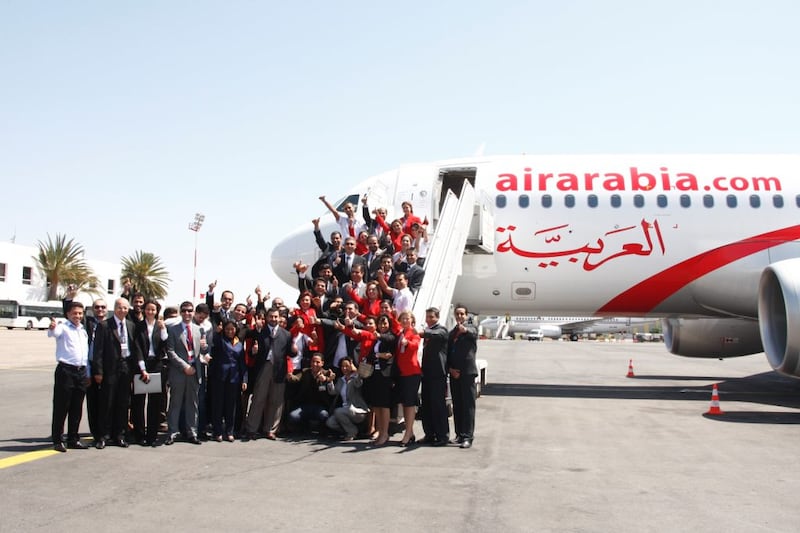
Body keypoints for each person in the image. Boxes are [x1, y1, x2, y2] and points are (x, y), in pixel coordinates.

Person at [93, 297, 145, 449]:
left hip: (126, 367)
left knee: (123, 403)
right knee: (107, 403)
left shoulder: (130, 325)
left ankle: (120, 435)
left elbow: (135, 348)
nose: (123, 310)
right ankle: (103, 436)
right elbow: (98, 350)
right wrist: (98, 371)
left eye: (125, 308)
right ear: (115, 309)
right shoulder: (104, 325)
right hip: (110, 369)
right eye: (120, 308)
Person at [244, 307, 294, 440]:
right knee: (258, 398)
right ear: (266, 318)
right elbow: (250, 352)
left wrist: (294, 350)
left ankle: (271, 429)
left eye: (276, 317)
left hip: (279, 369)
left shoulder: (286, 334)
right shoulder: (260, 332)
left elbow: (291, 353)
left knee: (276, 400)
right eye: (271, 316)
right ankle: (252, 428)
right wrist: (253, 351)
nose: (273, 319)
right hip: (263, 367)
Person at [48, 301, 89, 452]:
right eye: (74, 313)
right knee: (61, 407)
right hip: (66, 371)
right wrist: (52, 327)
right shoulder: (63, 328)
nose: (77, 316)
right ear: (68, 314)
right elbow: (54, 332)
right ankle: (57, 440)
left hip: (81, 372)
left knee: (76, 407)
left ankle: (73, 438)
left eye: (80, 313)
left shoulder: (83, 330)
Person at [164, 302, 207, 445]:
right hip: (179, 372)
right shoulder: (173, 329)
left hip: (195, 371)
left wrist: (204, 348)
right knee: (175, 403)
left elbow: (203, 351)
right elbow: (170, 352)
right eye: (184, 311)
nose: (187, 313)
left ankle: (192, 432)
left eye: (190, 311)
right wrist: (184, 366)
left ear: (193, 312)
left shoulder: (199, 330)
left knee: (192, 403)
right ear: (181, 312)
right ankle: (173, 432)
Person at [131, 300, 168, 446]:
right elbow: (137, 348)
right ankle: (140, 435)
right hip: (142, 366)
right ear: (144, 310)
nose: (150, 312)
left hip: (157, 365)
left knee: (154, 403)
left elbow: (166, 344)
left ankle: (152, 435)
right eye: (148, 309)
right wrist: (142, 369)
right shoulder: (138, 327)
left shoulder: (160, 327)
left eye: (153, 310)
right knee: (139, 403)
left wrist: (163, 329)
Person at [209, 320, 247, 442]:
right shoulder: (220, 340)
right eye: (227, 329)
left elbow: (242, 363)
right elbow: (214, 342)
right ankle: (218, 431)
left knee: (231, 406)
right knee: (218, 405)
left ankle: (229, 431)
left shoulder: (239, 344)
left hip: (234, 378)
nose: (230, 331)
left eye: (232, 329)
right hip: (219, 377)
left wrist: (244, 379)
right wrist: (217, 332)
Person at [448, 305, 479, 449]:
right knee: (458, 405)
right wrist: (450, 369)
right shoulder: (452, 332)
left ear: (466, 316)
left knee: (468, 406)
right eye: (457, 314)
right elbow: (448, 352)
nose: (459, 316)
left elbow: (472, 333)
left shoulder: (470, 329)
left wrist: (464, 329)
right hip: (455, 373)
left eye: (462, 314)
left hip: (467, 373)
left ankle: (468, 436)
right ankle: (459, 434)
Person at [420, 307, 449, 446]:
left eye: (431, 317)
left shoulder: (441, 330)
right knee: (426, 404)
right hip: (426, 372)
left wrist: (423, 332)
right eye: (427, 317)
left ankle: (442, 435)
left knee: (438, 405)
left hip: (438, 373)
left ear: (437, 317)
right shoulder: (429, 331)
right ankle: (429, 433)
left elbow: (436, 335)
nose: (429, 320)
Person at [285, 353, 335, 433]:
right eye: (313, 361)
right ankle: (304, 427)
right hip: (305, 405)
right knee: (293, 416)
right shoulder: (305, 371)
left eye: (317, 362)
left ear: (322, 363)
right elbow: (296, 378)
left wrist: (326, 380)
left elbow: (332, 389)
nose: (315, 364)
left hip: (320, 406)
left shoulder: (327, 373)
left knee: (324, 415)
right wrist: (290, 377)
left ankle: (322, 429)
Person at [395, 311, 422, 447]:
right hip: (402, 373)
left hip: (412, 372)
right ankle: (410, 433)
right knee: (404, 404)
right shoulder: (400, 333)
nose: (405, 321)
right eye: (403, 319)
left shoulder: (413, 333)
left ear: (412, 320)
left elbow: (415, 345)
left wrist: (408, 343)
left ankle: (407, 434)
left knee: (410, 404)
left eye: (407, 319)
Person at [325, 357, 368, 440]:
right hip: (344, 410)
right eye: (342, 366)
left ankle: (352, 432)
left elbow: (359, 384)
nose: (344, 368)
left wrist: (356, 371)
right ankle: (350, 431)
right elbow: (333, 392)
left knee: (338, 411)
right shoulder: (341, 380)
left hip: (357, 410)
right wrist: (330, 381)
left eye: (347, 366)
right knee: (330, 422)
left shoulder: (355, 378)